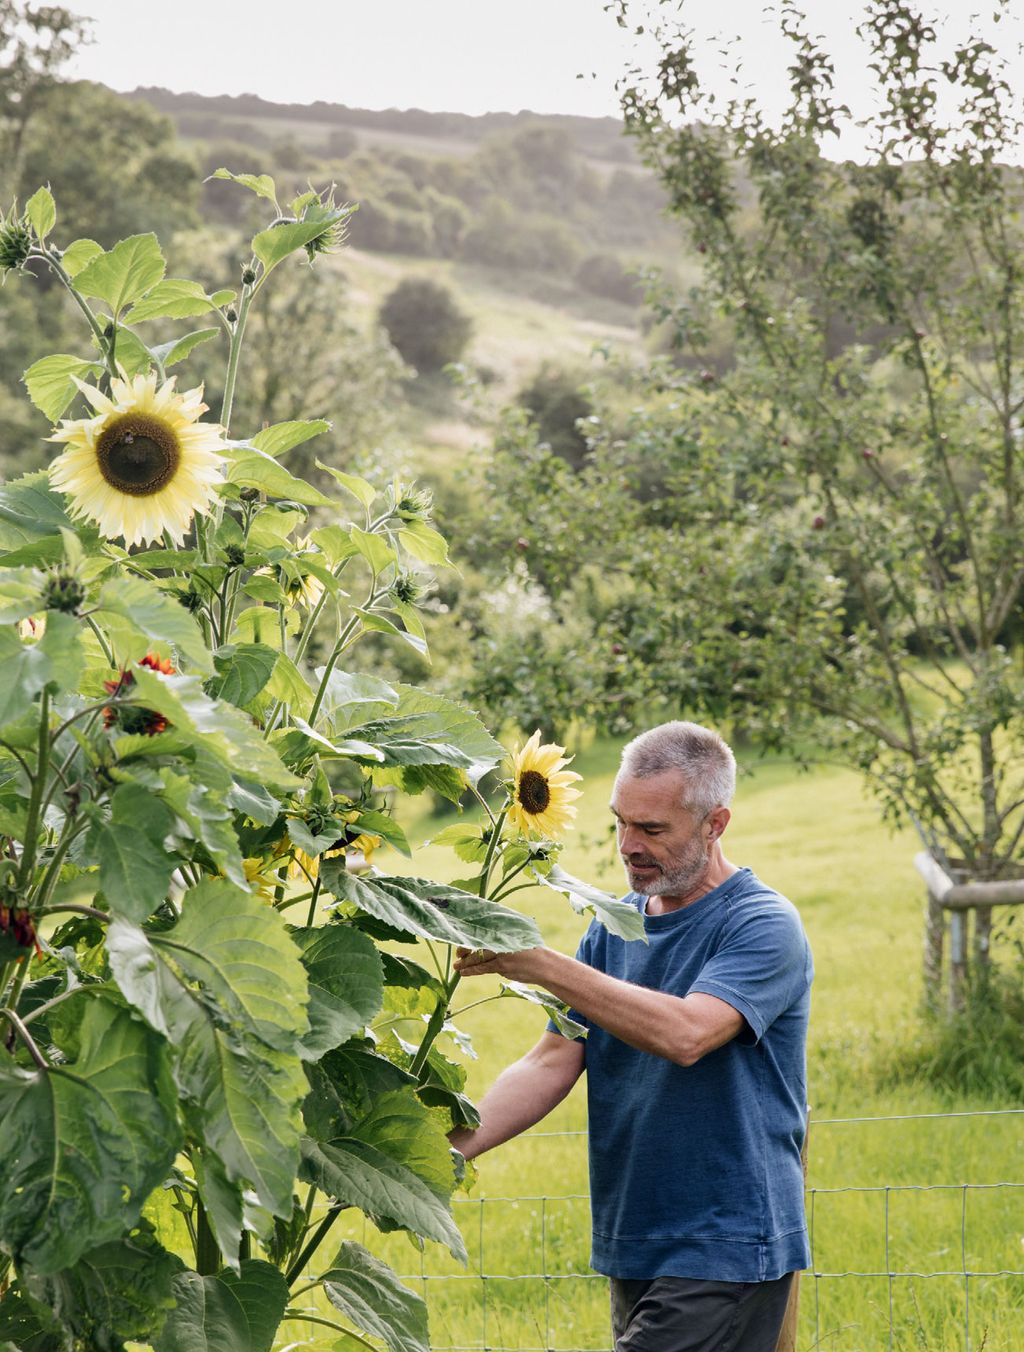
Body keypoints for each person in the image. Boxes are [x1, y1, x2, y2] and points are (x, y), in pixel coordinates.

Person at [451, 720, 813, 1352]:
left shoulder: (762, 924)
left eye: (652, 829)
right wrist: (443, 1151)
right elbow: (551, 1061)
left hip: (724, 1240)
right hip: (635, 1235)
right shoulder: (615, 928)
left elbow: (689, 1033)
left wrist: (541, 963)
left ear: (715, 823)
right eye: (621, 822)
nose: (628, 845)